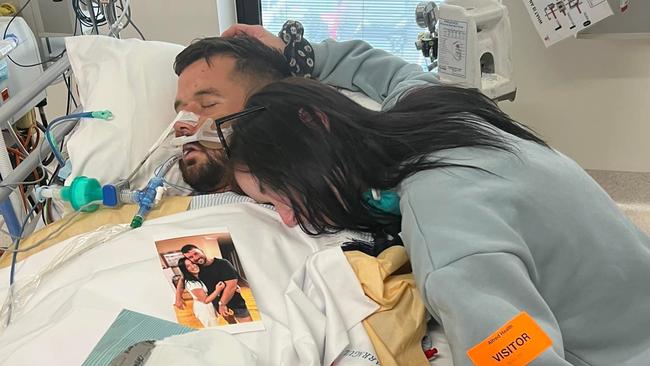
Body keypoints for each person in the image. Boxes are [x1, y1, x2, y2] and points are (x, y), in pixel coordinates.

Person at [225, 77, 650, 366]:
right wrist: (304, 53)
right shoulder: (432, 110)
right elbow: (388, 70)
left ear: (317, 127)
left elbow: (518, 357)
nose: (286, 218)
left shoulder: (444, 225)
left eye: (277, 192)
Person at [172, 22, 439, 193]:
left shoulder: (336, 192)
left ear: (271, 104)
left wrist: (306, 58)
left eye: (206, 104)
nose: (183, 125)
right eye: (180, 111)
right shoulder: (161, 206)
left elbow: (425, 97)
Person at [175, 244, 253, 323]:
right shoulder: (196, 268)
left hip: (235, 303)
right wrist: (178, 298)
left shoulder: (223, 263)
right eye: (190, 257)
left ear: (201, 251)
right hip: (217, 305)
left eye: (196, 253)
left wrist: (222, 304)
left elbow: (231, 286)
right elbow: (182, 280)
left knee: (248, 326)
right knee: (232, 324)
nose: (195, 258)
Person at [176, 257, 225, 327]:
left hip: (209, 306)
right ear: (185, 270)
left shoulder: (199, 275)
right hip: (204, 308)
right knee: (213, 328)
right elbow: (205, 300)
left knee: (215, 324)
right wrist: (218, 290)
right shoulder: (192, 283)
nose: (193, 266)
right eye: (188, 266)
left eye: (192, 263)